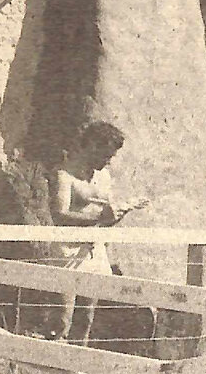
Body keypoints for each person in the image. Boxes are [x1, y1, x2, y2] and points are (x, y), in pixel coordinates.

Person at [49, 121, 146, 343]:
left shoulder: (103, 177)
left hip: (94, 251)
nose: (108, 161)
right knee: (63, 318)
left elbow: (105, 220)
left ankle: (75, 372)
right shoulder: (65, 176)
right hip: (68, 252)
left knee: (86, 318)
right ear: (92, 145)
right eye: (105, 155)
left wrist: (121, 212)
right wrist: (99, 218)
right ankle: (48, 370)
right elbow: (59, 215)